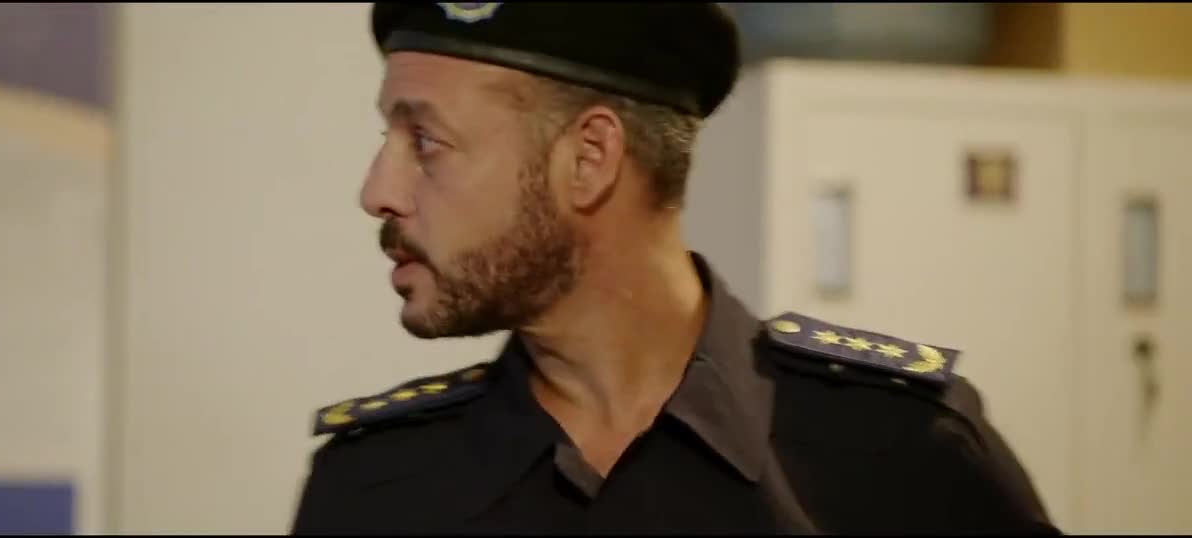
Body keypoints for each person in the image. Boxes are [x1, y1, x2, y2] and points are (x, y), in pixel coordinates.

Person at [290, 2, 1062, 534]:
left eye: (426, 142)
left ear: (589, 159)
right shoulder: (374, 489)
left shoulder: (902, 453)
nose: (377, 191)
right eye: (390, 141)